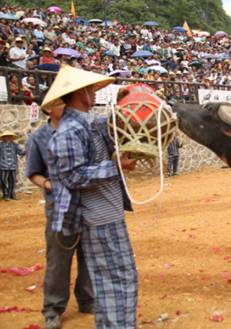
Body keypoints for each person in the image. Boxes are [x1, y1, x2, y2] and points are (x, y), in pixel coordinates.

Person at [42, 65, 138, 329]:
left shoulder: (87, 124)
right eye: (91, 89)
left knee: (116, 279)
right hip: (97, 217)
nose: (95, 93)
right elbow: (72, 176)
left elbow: (110, 123)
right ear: (81, 93)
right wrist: (115, 167)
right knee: (116, 280)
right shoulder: (69, 131)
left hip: (106, 213)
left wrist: (125, 102)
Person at [25, 104, 94, 329]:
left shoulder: (82, 130)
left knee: (88, 255)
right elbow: (33, 172)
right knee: (57, 261)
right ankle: (53, 309)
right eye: (59, 103)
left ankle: (87, 300)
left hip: (85, 203)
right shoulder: (39, 137)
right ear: (48, 109)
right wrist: (48, 184)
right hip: (59, 207)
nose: (64, 106)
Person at [0, 130, 24, 200]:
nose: (8, 137)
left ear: (12, 137)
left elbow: (21, 152)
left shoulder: (15, 145)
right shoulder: (0, 145)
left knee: (12, 181)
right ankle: (6, 194)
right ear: (3, 137)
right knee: (3, 180)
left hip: (13, 166)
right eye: (6, 136)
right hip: (3, 166)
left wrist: (28, 149)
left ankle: (12, 195)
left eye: (9, 136)